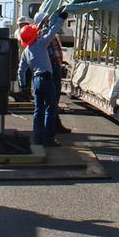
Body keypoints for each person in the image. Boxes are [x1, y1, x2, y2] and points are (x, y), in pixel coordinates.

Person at [19, 10, 67, 148]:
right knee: (50, 109)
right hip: (46, 78)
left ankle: (37, 138)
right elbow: (53, 31)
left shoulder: (26, 52)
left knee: (38, 109)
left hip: (36, 81)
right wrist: (61, 20)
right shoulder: (41, 44)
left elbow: (21, 70)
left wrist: (23, 86)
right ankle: (49, 139)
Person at [43, 13, 72, 135]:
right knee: (52, 99)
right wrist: (60, 19)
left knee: (52, 100)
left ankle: (54, 124)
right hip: (52, 68)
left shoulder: (46, 33)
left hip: (54, 67)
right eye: (46, 20)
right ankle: (52, 127)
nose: (48, 21)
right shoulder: (45, 33)